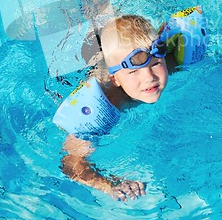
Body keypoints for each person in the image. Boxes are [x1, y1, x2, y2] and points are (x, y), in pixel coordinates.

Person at [60, 14, 174, 202]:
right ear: (115, 79)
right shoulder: (104, 106)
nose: (149, 77)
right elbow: (71, 163)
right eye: (133, 72)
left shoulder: (167, 61)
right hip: (83, 60)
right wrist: (110, 185)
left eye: (155, 64)